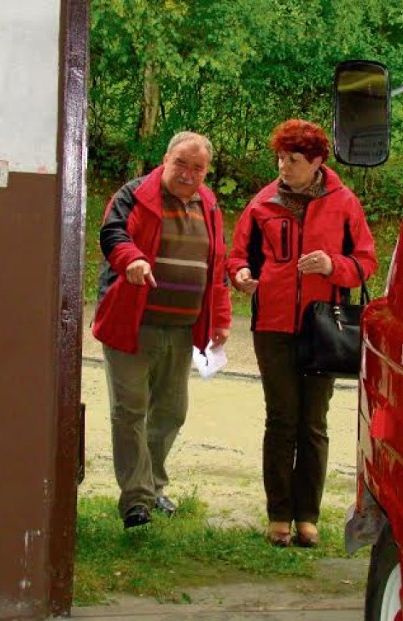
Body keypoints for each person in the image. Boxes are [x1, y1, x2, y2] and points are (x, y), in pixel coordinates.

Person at [226, 119, 377, 547]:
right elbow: (238, 257)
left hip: (323, 328)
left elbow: (366, 261)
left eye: (293, 160)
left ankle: (307, 515)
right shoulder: (262, 203)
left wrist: (334, 265)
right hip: (271, 326)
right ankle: (278, 515)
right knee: (281, 420)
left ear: (316, 162)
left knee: (313, 423)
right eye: (280, 157)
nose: (283, 166)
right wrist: (240, 275)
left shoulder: (344, 203)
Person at [93, 131, 231, 529]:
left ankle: (152, 487)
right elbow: (112, 235)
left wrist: (220, 318)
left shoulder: (208, 204)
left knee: (171, 412)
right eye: (182, 164)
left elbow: (216, 265)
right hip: (132, 323)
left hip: (181, 329)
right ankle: (136, 501)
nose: (189, 174)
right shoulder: (134, 195)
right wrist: (132, 260)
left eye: (198, 167)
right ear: (166, 159)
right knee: (130, 410)